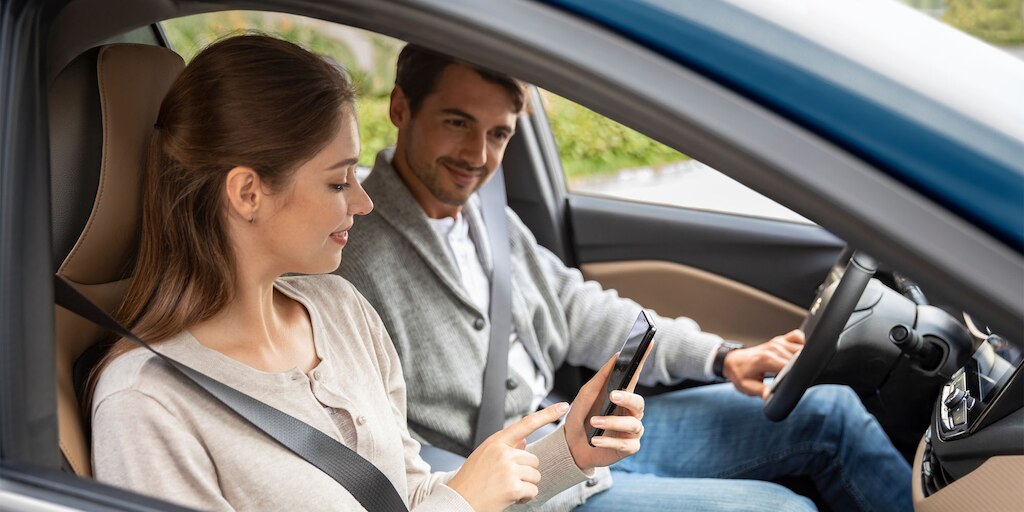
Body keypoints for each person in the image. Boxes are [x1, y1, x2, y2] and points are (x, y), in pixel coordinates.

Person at [337, 44, 913, 512]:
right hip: (524, 487)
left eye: (499, 134)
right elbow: (387, 455)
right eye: (457, 123)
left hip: (583, 429)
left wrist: (723, 357)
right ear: (401, 108)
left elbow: (576, 308)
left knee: (830, 413)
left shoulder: (486, 214)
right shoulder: (351, 256)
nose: (478, 155)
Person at [89, 35, 647, 512]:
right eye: (338, 182)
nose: (363, 202)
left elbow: (407, 495)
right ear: (247, 192)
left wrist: (568, 454)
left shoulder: (340, 310)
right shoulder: (145, 405)